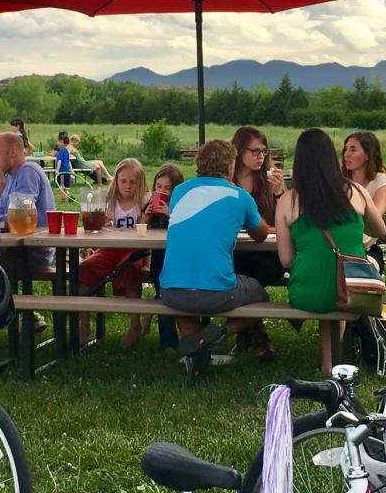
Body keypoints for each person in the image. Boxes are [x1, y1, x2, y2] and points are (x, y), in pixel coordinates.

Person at [276, 128, 386, 375]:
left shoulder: (288, 200)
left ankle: (330, 363)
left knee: (326, 288)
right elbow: (380, 230)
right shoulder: (357, 192)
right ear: (331, 158)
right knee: (338, 293)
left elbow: (285, 260)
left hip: (307, 293)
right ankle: (331, 362)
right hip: (353, 288)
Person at [160, 140, 269, 380]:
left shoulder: (179, 191)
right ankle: (219, 332)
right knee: (260, 293)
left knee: (182, 294)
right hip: (217, 292)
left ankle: (196, 349)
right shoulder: (239, 196)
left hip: (171, 290)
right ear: (231, 165)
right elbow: (261, 235)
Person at [78, 158, 149, 348]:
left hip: (134, 250)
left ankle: (134, 325)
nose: (127, 186)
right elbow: (99, 227)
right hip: (109, 248)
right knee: (86, 268)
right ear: (116, 181)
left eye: (132, 182)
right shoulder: (109, 201)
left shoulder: (144, 202)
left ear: (140, 182)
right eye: (123, 181)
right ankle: (83, 323)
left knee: (129, 270)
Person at [230, 125, 286, 360]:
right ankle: (256, 332)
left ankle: (247, 330)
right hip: (235, 248)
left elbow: (281, 221)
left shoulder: (268, 180)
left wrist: (280, 193)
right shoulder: (226, 180)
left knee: (258, 271)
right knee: (236, 268)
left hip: (265, 249)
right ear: (239, 151)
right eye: (254, 151)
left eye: (263, 151)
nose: (260, 156)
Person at [0, 131, 54, 273]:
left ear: (13, 152)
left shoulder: (28, 171)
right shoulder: (8, 177)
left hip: (33, 250)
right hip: (16, 247)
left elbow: (20, 216)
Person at [144, 163, 184, 354]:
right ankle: (168, 343)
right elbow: (140, 227)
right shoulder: (150, 203)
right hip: (159, 260)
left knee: (176, 296)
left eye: (167, 188)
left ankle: (189, 337)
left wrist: (170, 213)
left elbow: (185, 230)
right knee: (163, 297)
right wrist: (147, 215)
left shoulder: (181, 207)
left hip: (178, 258)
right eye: (158, 187)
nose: (162, 191)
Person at [342, 131, 386, 270]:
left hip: (365, 248)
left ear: (368, 155)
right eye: (345, 149)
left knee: (367, 268)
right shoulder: (339, 182)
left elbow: (375, 216)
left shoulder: (381, 181)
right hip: (337, 245)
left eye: (353, 149)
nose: (347, 154)